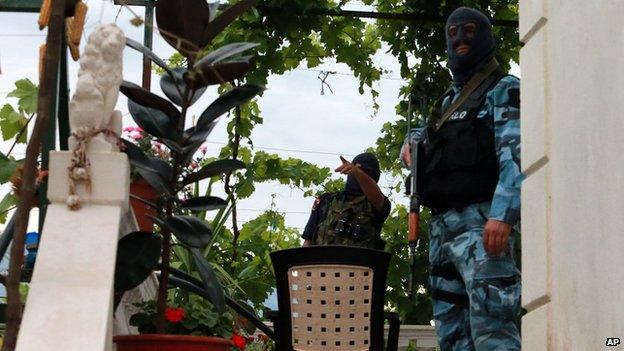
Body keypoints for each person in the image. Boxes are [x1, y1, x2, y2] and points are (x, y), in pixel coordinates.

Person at [400, 7, 522, 351]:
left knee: (494, 334)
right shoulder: (447, 102)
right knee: (452, 338)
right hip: (442, 231)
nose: (461, 40)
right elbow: (421, 138)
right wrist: (410, 144)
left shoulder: (504, 88)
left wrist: (503, 215)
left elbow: (515, 153)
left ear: (485, 36)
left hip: (483, 226)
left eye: (469, 31)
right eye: (453, 34)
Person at [302, 153, 391, 250]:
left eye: (365, 172)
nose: (358, 175)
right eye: (356, 170)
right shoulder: (326, 201)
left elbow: (375, 194)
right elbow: (308, 241)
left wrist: (358, 173)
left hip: (358, 264)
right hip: (323, 263)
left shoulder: (377, 205)